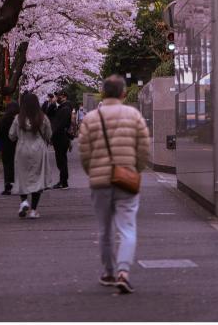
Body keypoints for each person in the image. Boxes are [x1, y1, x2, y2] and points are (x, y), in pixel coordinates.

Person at [78, 75, 149, 294]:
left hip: (100, 182)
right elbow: (144, 148)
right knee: (127, 227)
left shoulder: (91, 118)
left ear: (103, 93)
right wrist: (135, 169)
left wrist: (93, 172)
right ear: (123, 93)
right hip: (126, 179)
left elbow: (84, 152)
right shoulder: (133, 115)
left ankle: (108, 271)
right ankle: (123, 273)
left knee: (104, 229)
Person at [9, 92, 53, 218]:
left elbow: (11, 135)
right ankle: (33, 210)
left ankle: (23, 202)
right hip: (38, 149)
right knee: (37, 178)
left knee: (22, 177)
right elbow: (49, 135)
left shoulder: (18, 119)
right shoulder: (43, 118)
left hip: (22, 148)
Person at [0, 101, 20, 195]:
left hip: (6, 145)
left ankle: (8, 185)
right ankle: (19, 184)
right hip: (17, 144)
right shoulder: (18, 120)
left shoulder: (3, 120)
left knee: (7, 165)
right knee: (18, 165)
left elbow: (0, 133)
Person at [50, 90, 72, 189]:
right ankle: (62, 181)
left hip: (61, 137)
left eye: (59, 96)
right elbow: (48, 113)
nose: (57, 97)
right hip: (59, 137)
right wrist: (53, 104)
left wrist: (53, 133)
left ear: (64, 97)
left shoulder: (66, 108)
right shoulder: (61, 107)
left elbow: (60, 124)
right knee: (61, 159)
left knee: (61, 160)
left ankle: (64, 182)